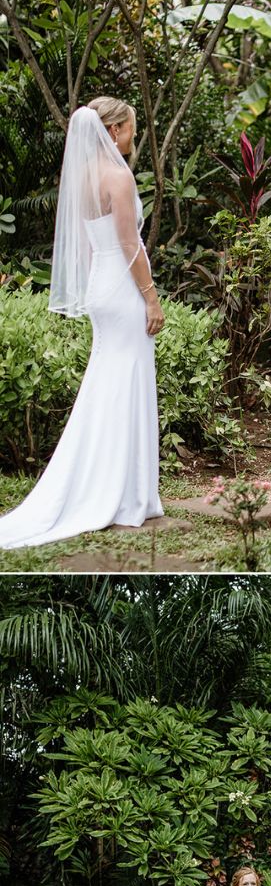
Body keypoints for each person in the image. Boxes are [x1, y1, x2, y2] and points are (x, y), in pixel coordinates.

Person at [0, 99, 165, 552]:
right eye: (131, 128)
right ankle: (128, 494)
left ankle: (112, 485)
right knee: (127, 380)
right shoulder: (118, 176)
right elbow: (130, 244)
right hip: (125, 289)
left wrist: (101, 289)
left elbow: (91, 247)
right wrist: (150, 298)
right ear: (113, 131)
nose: (133, 136)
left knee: (107, 381)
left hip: (100, 288)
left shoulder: (83, 177)